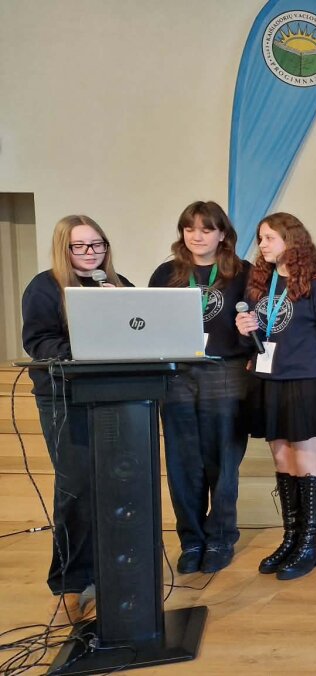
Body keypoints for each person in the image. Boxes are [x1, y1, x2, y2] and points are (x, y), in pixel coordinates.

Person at [21, 215, 131, 626]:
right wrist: (90, 342)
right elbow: (39, 342)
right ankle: (70, 583)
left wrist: (123, 313)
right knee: (78, 490)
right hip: (65, 399)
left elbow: (140, 333)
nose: (90, 252)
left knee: (118, 487)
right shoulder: (44, 287)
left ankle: (114, 576)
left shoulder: (119, 286)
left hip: (117, 399)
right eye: (80, 245)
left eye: (97, 244)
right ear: (63, 248)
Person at [235, 212, 316, 581]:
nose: (262, 245)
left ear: (292, 241)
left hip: (307, 383)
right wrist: (244, 331)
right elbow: (255, 342)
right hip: (269, 381)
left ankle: (310, 545)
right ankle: (292, 538)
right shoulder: (260, 285)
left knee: (305, 459)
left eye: (269, 237)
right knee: (282, 458)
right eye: (260, 238)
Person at [148, 201, 252, 574]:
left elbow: (258, 323)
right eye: (190, 228)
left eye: (206, 229)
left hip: (226, 371)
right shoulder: (167, 273)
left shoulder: (243, 273)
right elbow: (149, 323)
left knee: (223, 462)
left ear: (222, 234)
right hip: (177, 374)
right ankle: (191, 540)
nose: (197, 236)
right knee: (182, 463)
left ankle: (221, 538)